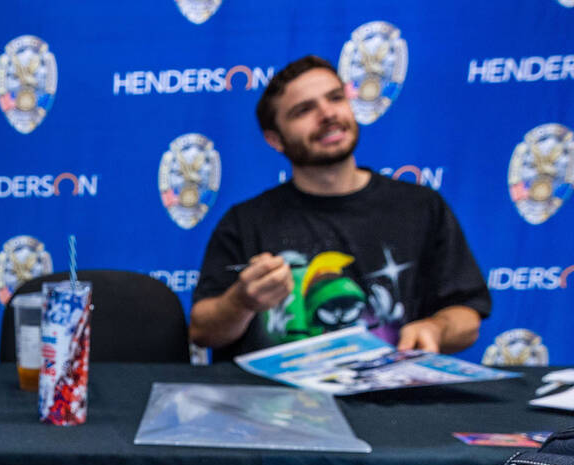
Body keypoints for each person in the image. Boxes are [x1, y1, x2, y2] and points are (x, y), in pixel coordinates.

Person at [189, 54, 491, 361]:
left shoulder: (421, 207)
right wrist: (241, 301)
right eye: (303, 110)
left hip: (391, 402)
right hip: (275, 404)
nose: (327, 114)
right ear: (275, 140)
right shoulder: (245, 222)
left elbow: (467, 317)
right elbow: (203, 331)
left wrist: (436, 328)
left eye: (335, 98)